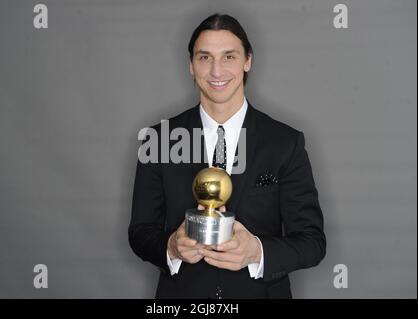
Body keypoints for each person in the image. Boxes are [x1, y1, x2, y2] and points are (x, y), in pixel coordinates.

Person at [128, 13, 326, 299]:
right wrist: (171, 246)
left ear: (248, 61)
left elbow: (312, 243)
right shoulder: (159, 140)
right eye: (205, 58)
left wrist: (256, 252)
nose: (216, 71)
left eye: (229, 57)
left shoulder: (285, 142)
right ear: (191, 65)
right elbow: (140, 232)